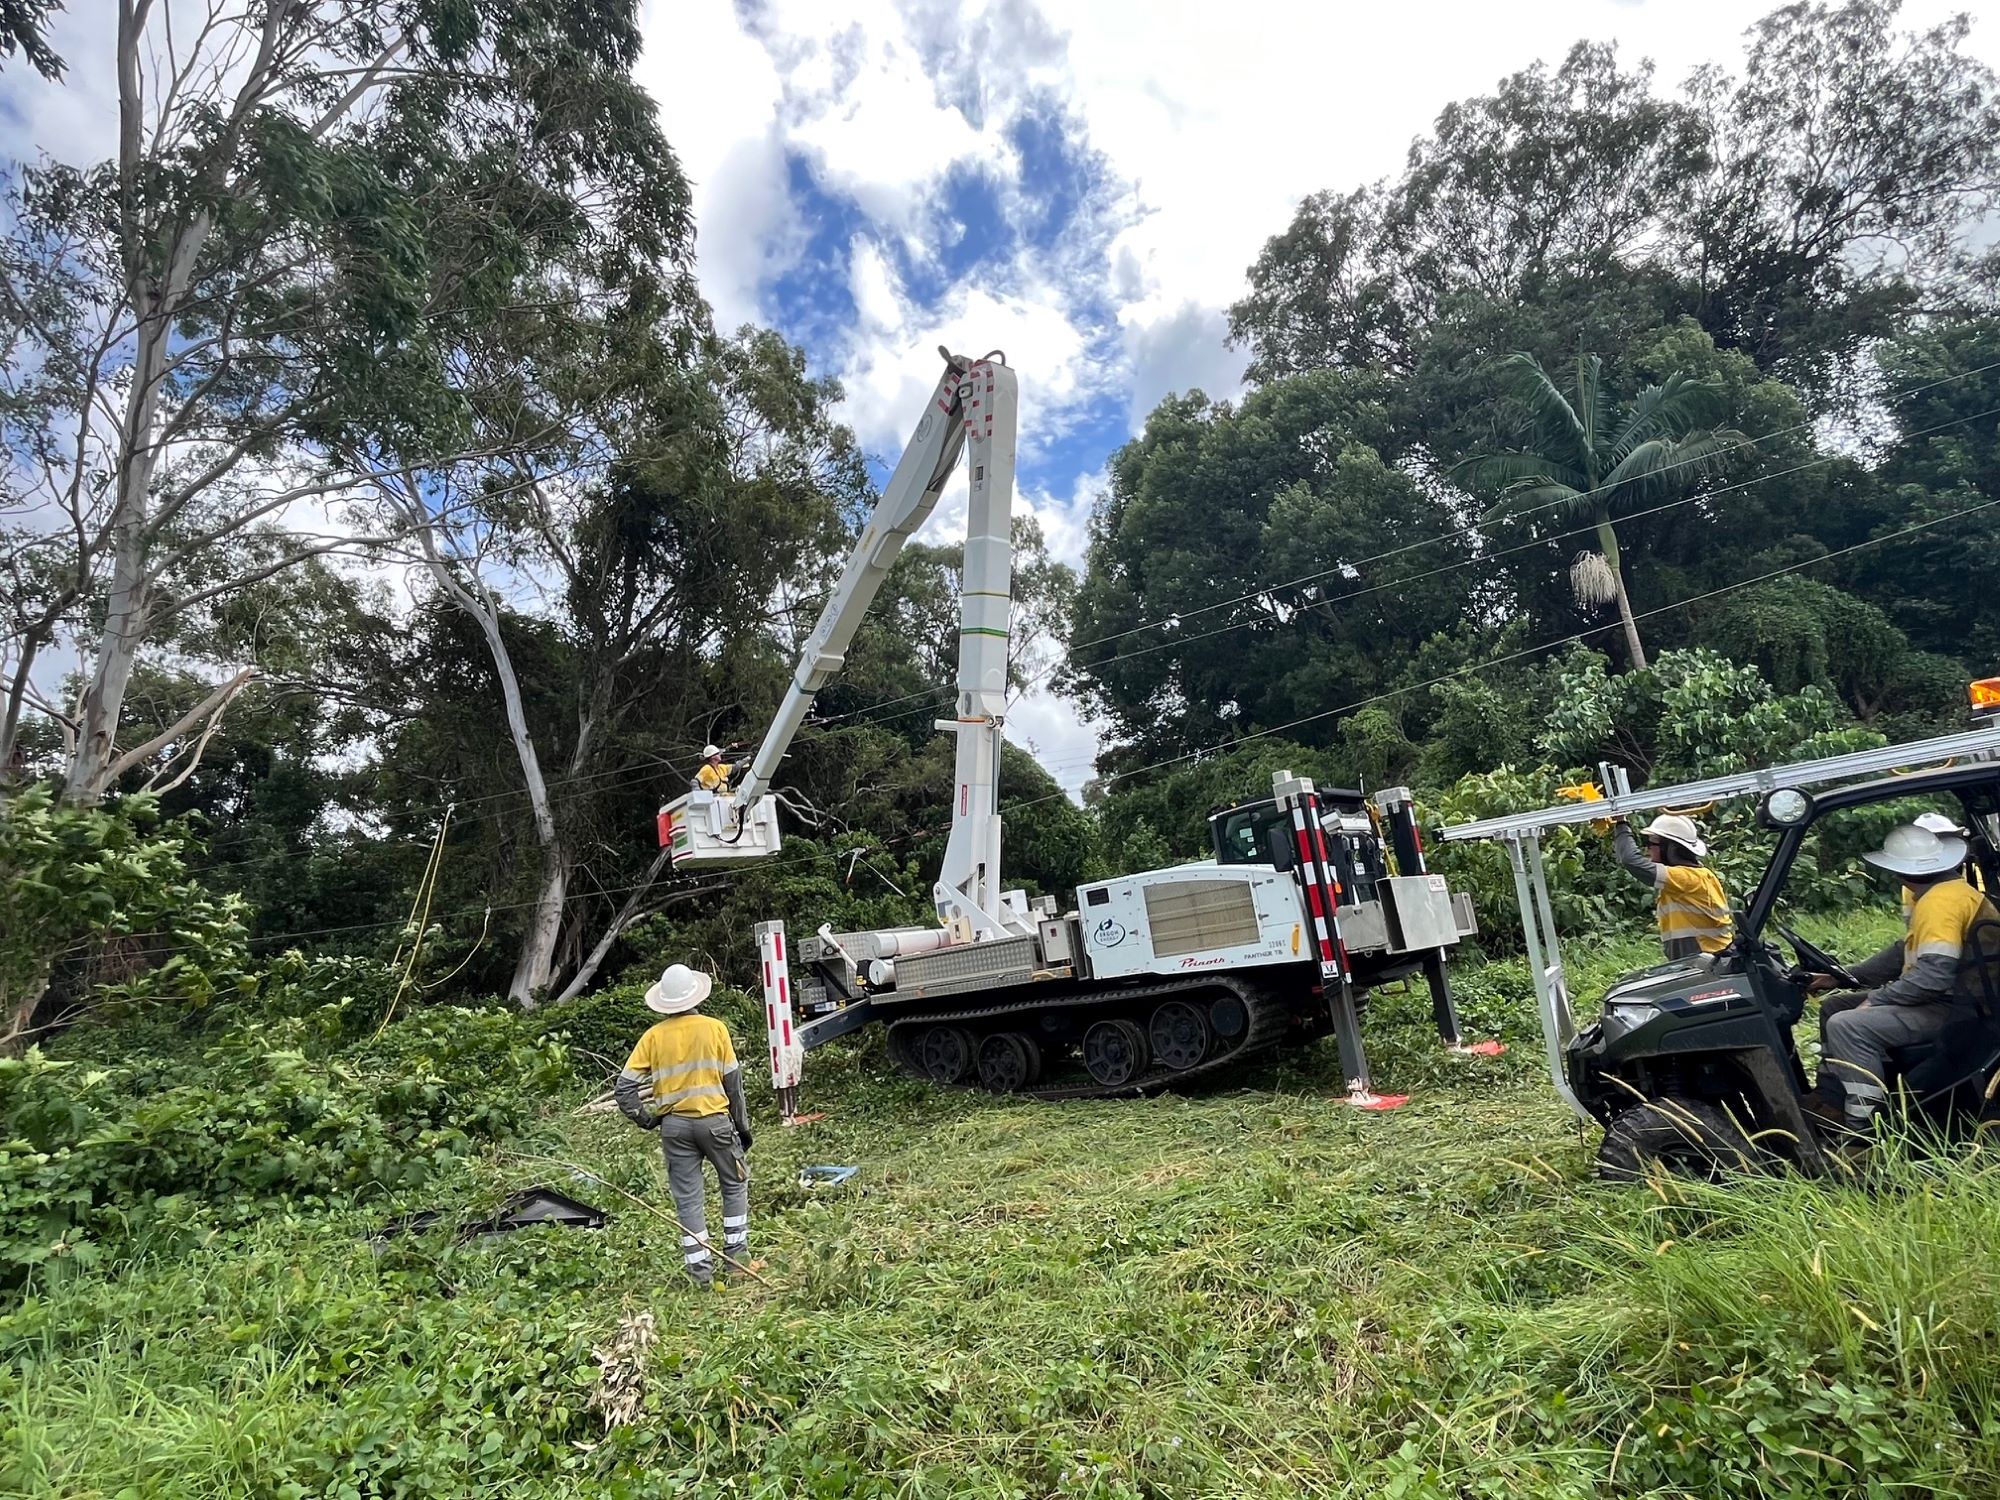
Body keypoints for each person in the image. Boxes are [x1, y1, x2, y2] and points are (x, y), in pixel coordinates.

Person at [1811, 823, 2000, 1137]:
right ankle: (1831, 1098)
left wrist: (1877, 999)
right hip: (1955, 998)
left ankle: (1864, 1129)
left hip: (1957, 1009)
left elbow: (1932, 976)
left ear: (1898, 871)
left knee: (1847, 1024)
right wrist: (1842, 976)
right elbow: (1906, 951)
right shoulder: (1941, 892)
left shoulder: (1940, 903)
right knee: (1835, 1007)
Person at [614, 963, 754, 1287]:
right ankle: (736, 1261)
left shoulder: (652, 1037)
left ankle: (701, 1276)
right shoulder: (715, 1028)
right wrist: (742, 1127)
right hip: (716, 1123)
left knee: (688, 1200)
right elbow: (734, 1085)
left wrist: (646, 1119)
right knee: (734, 1184)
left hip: (674, 1128)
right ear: (696, 995)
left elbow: (624, 1089)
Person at [1607, 812, 1732, 960]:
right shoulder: (1694, 877)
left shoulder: (1686, 878)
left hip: (1709, 959)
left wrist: (1621, 823)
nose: (1648, 850)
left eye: (1651, 844)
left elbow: (1631, 861)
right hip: (1707, 959)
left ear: (1670, 848)